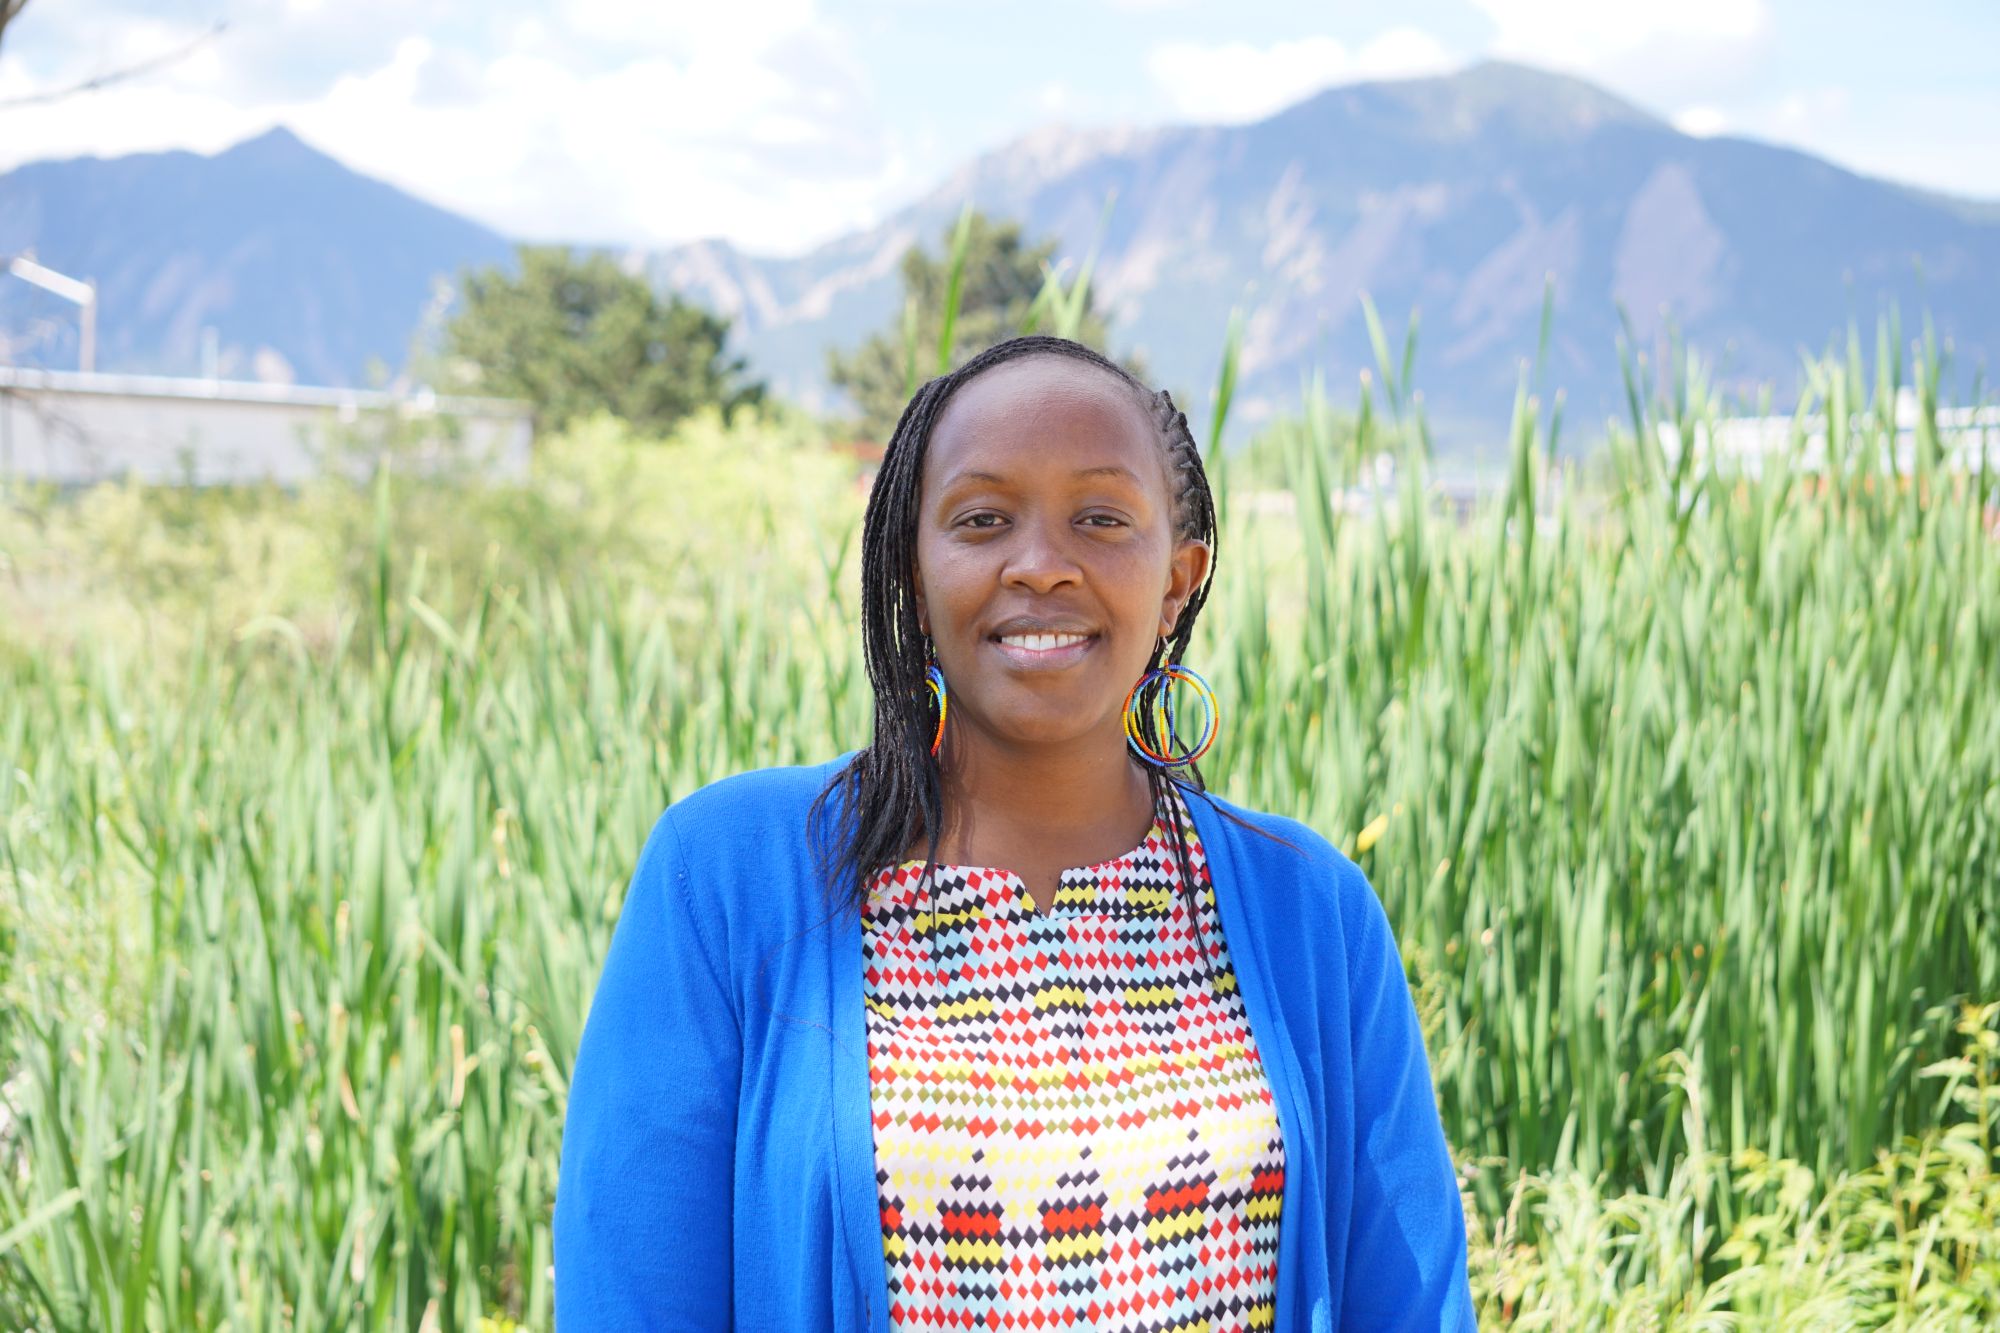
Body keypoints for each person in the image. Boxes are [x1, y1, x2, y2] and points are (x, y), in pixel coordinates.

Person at [553, 334, 1476, 1330]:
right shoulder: (726, 875)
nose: (1039, 565)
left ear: (1176, 578)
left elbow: (1409, 1302)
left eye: (1100, 517)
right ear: (911, 566)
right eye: (982, 518)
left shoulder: (1313, 909)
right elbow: (632, 1290)